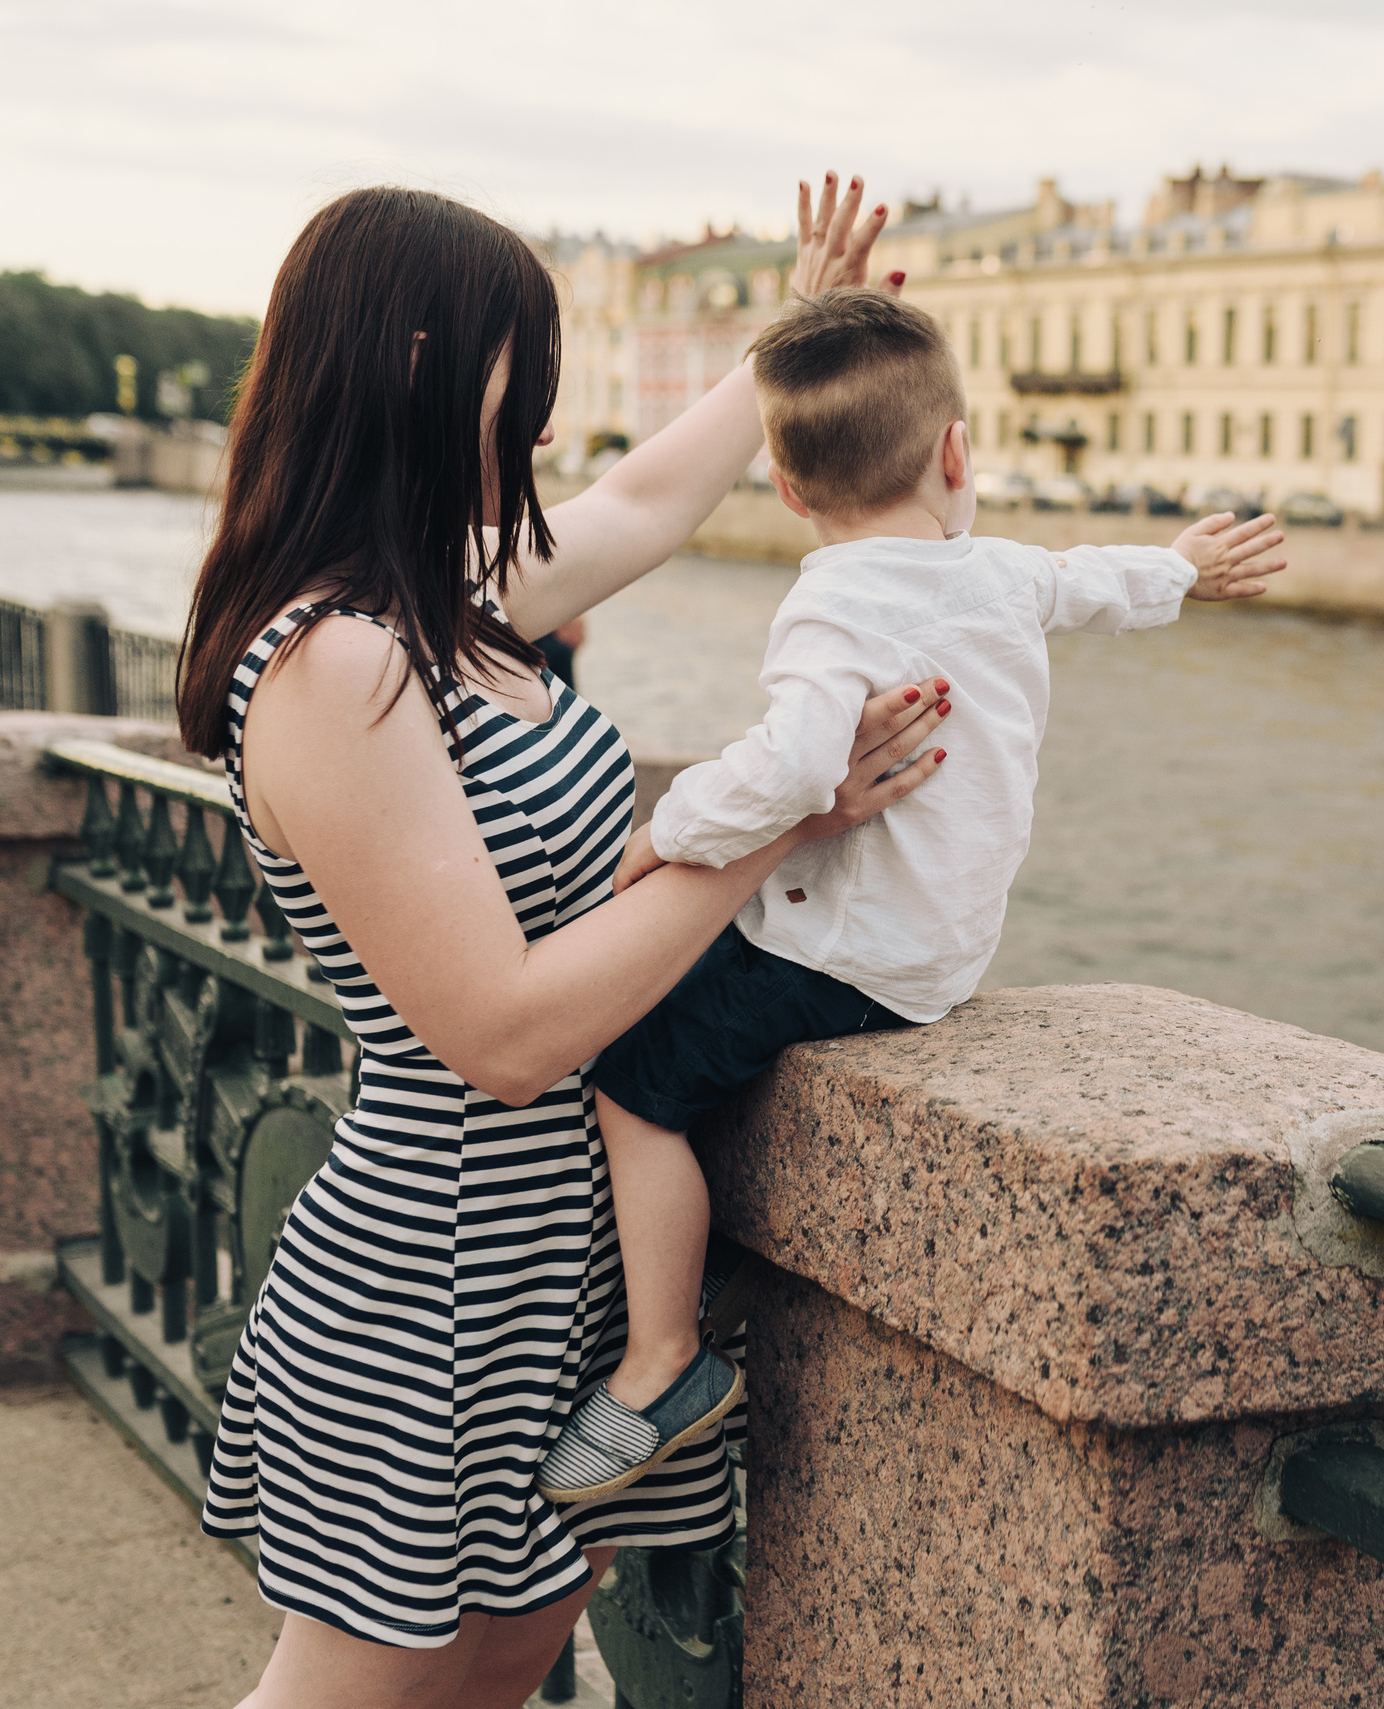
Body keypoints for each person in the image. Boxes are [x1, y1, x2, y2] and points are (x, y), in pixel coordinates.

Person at [172, 175, 939, 1709]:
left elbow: (654, 498)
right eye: (520, 356)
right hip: (434, 1263)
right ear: (416, 360)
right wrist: (780, 822)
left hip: (559, 1247)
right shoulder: (335, 658)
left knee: (509, 1662)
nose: (542, 411)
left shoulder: (449, 591)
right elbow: (506, 1033)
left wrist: (794, 332)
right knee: (359, 1690)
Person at [533, 286, 1286, 1501]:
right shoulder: (999, 574)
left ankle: (659, 1356)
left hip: (838, 954)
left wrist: (653, 841)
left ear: (787, 494)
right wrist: (1184, 568)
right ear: (956, 453)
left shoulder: (834, 599)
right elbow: (1089, 579)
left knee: (631, 1078)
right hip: (940, 956)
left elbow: (786, 768)